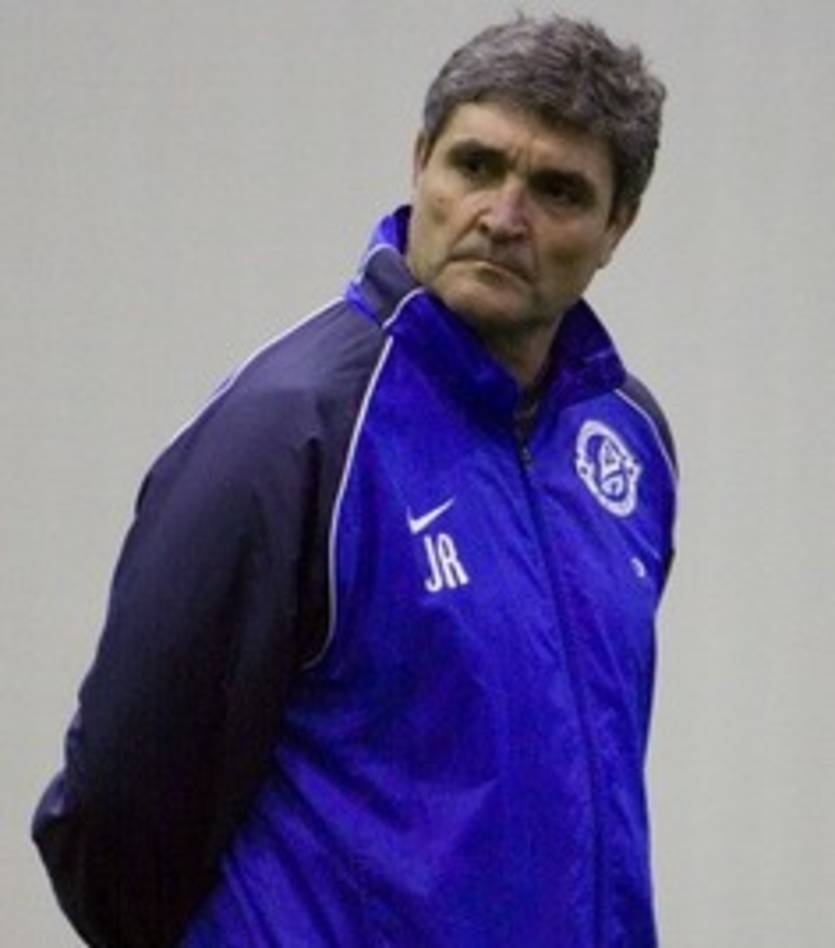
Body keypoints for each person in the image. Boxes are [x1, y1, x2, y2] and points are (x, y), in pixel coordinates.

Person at [33, 13, 676, 948]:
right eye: (475, 165)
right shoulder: (290, 430)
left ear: (617, 225)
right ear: (419, 162)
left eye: (558, 191)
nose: (503, 217)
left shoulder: (626, 442)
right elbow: (116, 817)